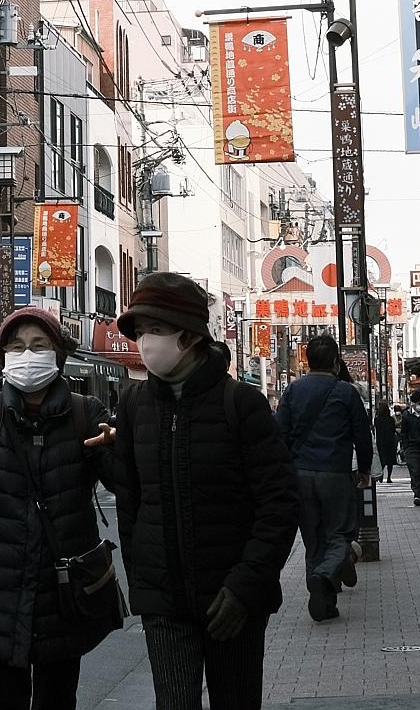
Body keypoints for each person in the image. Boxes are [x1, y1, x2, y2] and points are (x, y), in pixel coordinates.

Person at [112, 273, 298, 710]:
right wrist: (144, 584)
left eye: (156, 330)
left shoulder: (241, 403)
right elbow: (130, 502)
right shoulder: (133, 406)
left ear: (190, 335)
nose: (146, 342)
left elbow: (279, 504)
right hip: (165, 606)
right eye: (140, 332)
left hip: (234, 602)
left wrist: (245, 587)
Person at [0, 306, 118, 710]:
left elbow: (121, 484)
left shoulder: (87, 413)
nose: (27, 355)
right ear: (3, 358)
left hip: (65, 588)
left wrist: (117, 452)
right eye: (16, 347)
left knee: (59, 694)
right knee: (3, 693)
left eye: (39, 345)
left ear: (57, 355)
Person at [274, 334, 371, 623]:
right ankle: (325, 575)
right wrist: (364, 469)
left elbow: (280, 435)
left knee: (313, 538)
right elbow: (362, 436)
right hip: (335, 473)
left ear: (306, 360)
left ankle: (324, 599)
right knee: (340, 533)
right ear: (334, 360)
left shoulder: (293, 391)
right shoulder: (346, 392)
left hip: (301, 475)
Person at [374, 400, 398, 484]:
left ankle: (381, 475)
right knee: (390, 461)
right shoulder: (390, 419)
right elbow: (393, 429)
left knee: (381, 460)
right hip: (390, 441)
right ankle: (389, 477)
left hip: (380, 441)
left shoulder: (376, 420)